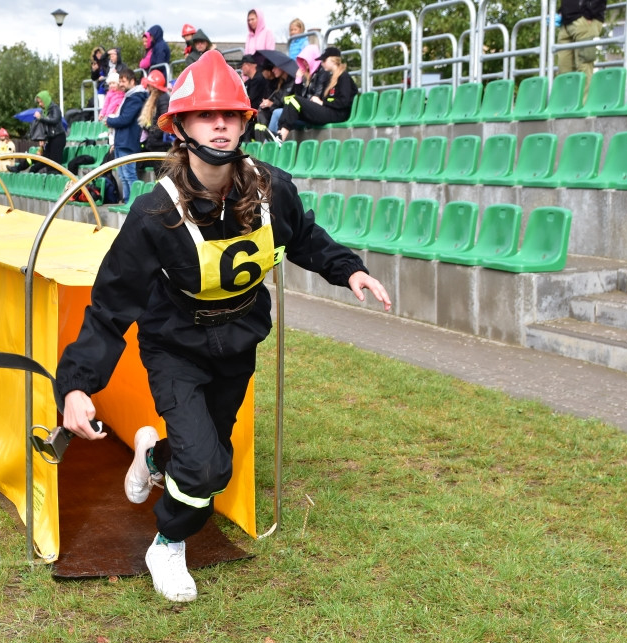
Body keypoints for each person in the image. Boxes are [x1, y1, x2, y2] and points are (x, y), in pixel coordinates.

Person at [54, 50, 391, 603]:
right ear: (181, 126)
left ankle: (152, 455)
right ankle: (167, 542)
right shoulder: (153, 215)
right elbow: (112, 306)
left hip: (237, 339)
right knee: (205, 467)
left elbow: (304, 237)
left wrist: (348, 270)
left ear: (244, 123)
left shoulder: (273, 188)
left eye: (231, 115)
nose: (220, 124)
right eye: (207, 114)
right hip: (175, 345)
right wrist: (75, 385)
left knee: (214, 462)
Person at [276, 47, 357, 139]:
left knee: (295, 100)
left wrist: (322, 102)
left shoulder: (344, 77)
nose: (322, 63)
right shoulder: (331, 77)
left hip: (337, 114)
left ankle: (281, 137)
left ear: (333, 61)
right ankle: (279, 133)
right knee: (290, 101)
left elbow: (344, 102)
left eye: (324, 60)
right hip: (329, 111)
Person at [106, 67, 147, 202]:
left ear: (132, 81)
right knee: (123, 176)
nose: (121, 84)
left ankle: (134, 202)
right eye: (120, 81)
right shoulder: (129, 97)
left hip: (128, 143)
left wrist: (109, 120)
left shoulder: (136, 98)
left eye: (123, 81)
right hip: (121, 142)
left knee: (129, 175)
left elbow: (125, 119)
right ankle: (127, 201)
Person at [557, 0, 607, 99]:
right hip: (567, 21)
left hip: (585, 19)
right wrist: (562, 10)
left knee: (584, 66)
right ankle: (567, 108)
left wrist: (589, 12)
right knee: (564, 70)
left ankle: (584, 109)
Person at [137, 69, 172, 180]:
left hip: (161, 146)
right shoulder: (158, 98)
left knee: (162, 176)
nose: (148, 87)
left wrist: (152, 131)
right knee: (159, 175)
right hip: (156, 145)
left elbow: (164, 121)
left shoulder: (163, 99)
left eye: (149, 84)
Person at [240, 55, 272, 141]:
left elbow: (251, 99)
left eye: (242, 65)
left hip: (257, 111)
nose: (241, 68)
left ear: (248, 65)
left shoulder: (259, 79)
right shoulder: (249, 81)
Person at [34, 91, 67, 172]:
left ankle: (57, 180)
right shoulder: (44, 111)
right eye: (39, 102)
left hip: (58, 137)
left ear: (45, 100)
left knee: (55, 163)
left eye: (41, 101)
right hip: (50, 138)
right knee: (47, 160)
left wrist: (41, 118)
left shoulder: (55, 108)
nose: (40, 104)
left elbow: (55, 120)